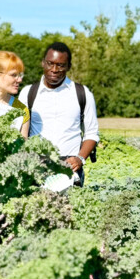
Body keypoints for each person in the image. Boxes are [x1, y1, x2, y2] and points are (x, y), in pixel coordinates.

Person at [20, 42, 99, 185]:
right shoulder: (28, 93)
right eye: (50, 63)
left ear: (68, 66)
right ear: (43, 63)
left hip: (69, 167)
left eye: (61, 65)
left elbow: (92, 133)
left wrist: (80, 159)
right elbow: (20, 133)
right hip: (36, 166)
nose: (54, 69)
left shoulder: (82, 93)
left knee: (69, 207)